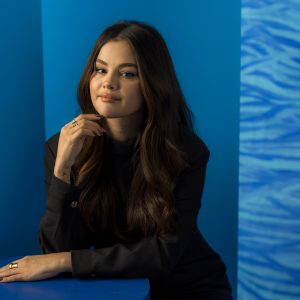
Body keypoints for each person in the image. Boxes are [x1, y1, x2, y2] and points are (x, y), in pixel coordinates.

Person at [0, 20, 232, 299]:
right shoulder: (61, 147)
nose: (108, 83)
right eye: (100, 70)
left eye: (128, 74)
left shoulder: (185, 151)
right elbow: (56, 249)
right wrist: (63, 169)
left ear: (153, 82)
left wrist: (66, 262)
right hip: (118, 289)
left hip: (189, 287)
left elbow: (163, 253)